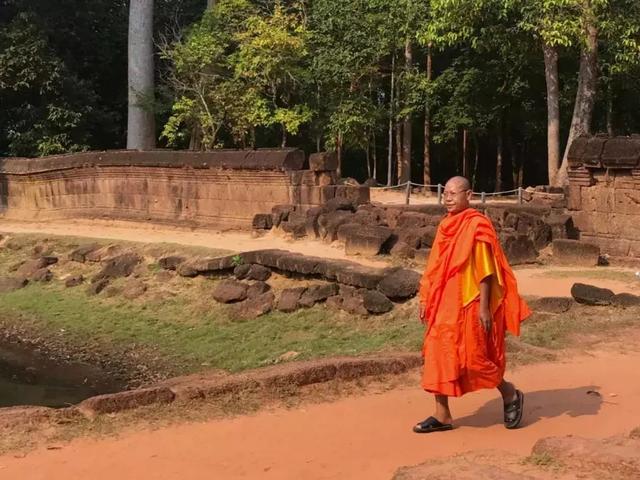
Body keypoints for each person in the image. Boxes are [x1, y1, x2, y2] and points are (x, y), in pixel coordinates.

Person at [414, 176, 531, 433]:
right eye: (446, 193)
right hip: (443, 301)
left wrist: (484, 307)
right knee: (437, 353)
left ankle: (509, 393)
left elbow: (486, 271)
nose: (448, 198)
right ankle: (442, 415)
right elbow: (434, 266)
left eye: (454, 193)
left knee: (473, 357)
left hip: (470, 301)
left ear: (469, 195)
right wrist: (425, 297)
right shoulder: (446, 225)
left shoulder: (476, 225)